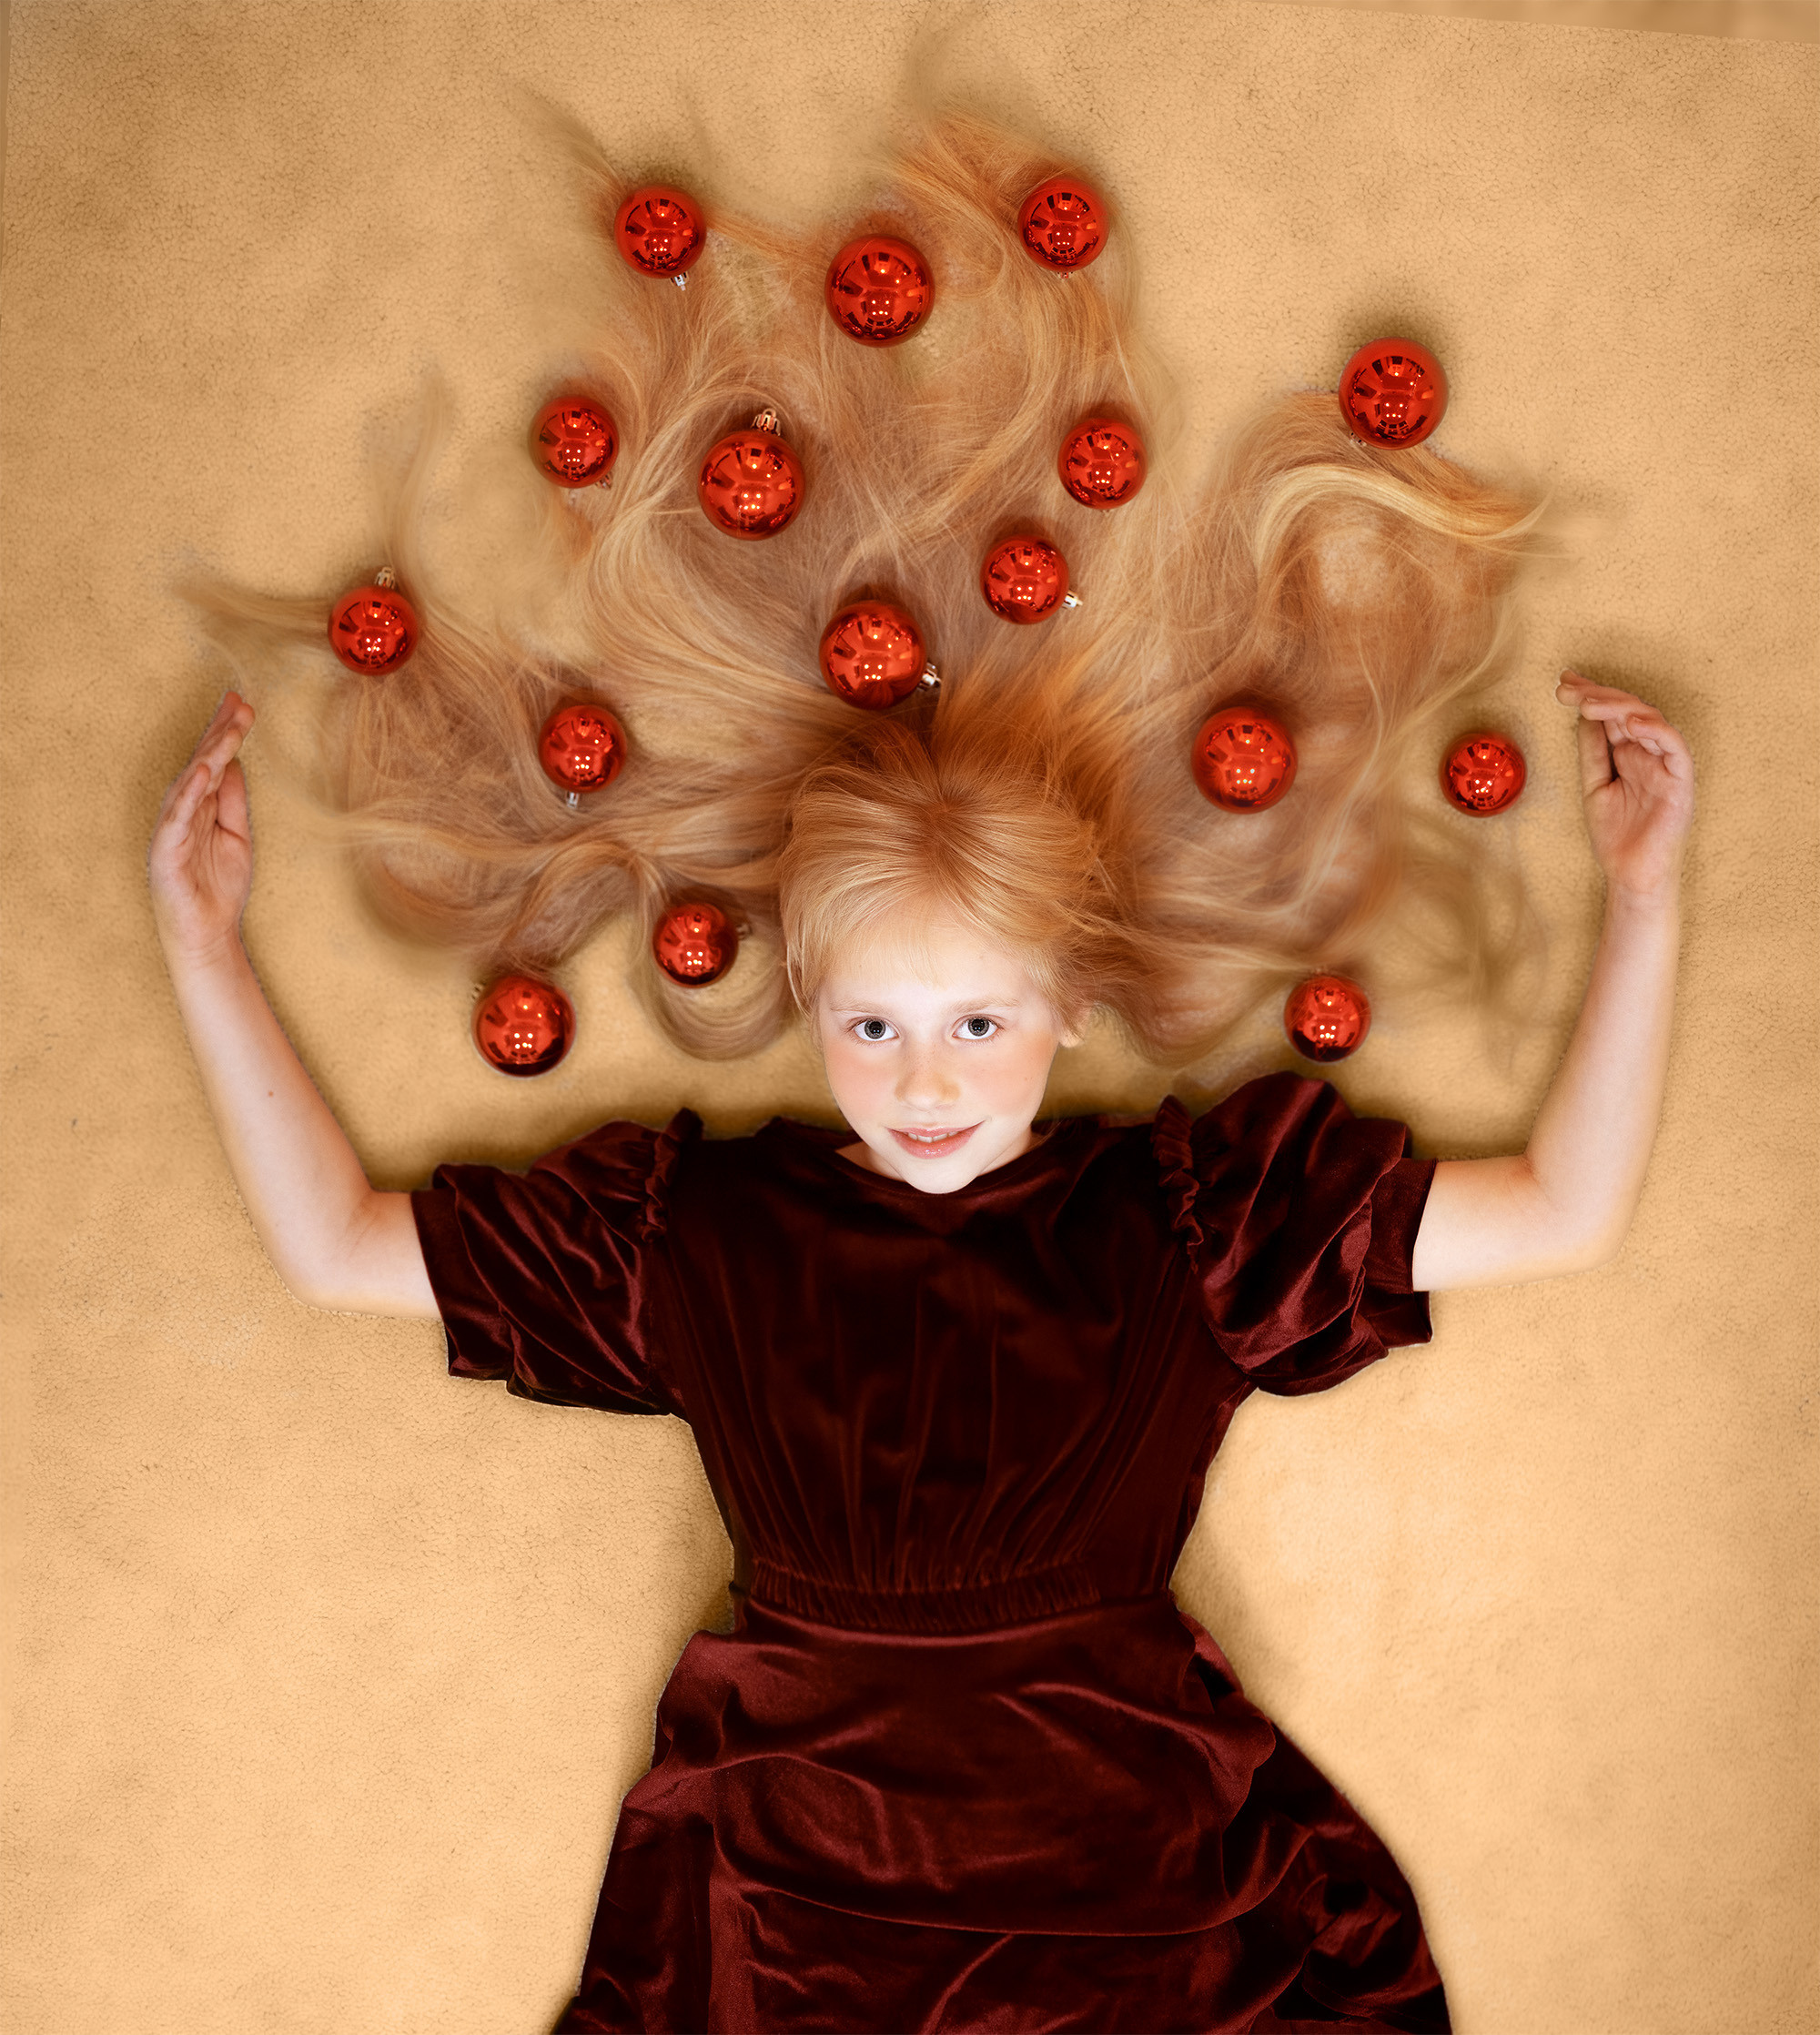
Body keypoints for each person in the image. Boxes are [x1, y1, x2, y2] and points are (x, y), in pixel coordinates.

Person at [148, 114, 1694, 2035]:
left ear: (1068, 1007)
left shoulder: (1190, 1222)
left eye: (975, 1021)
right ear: (805, 1003)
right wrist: (204, 948)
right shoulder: (697, 1231)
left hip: (1133, 1877)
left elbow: (1568, 1207)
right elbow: (332, 1245)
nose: (924, 1075)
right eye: (873, 1022)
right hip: (782, 1900)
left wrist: (1639, 900)